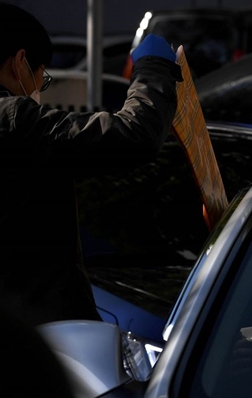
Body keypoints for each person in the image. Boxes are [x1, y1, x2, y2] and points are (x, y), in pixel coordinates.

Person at [0, 3, 182, 327]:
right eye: (41, 80)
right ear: (19, 63)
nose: (38, 93)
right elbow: (132, 135)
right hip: (43, 338)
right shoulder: (14, 122)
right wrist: (154, 68)